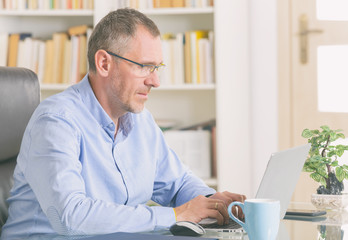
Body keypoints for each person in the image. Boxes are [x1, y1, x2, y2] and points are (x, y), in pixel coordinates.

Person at [0, 8, 246, 239]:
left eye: (157, 67)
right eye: (144, 67)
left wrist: (214, 203)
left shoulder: (141, 121)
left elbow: (177, 182)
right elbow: (70, 216)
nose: (155, 81)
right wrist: (176, 215)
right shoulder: (56, 121)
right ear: (104, 63)